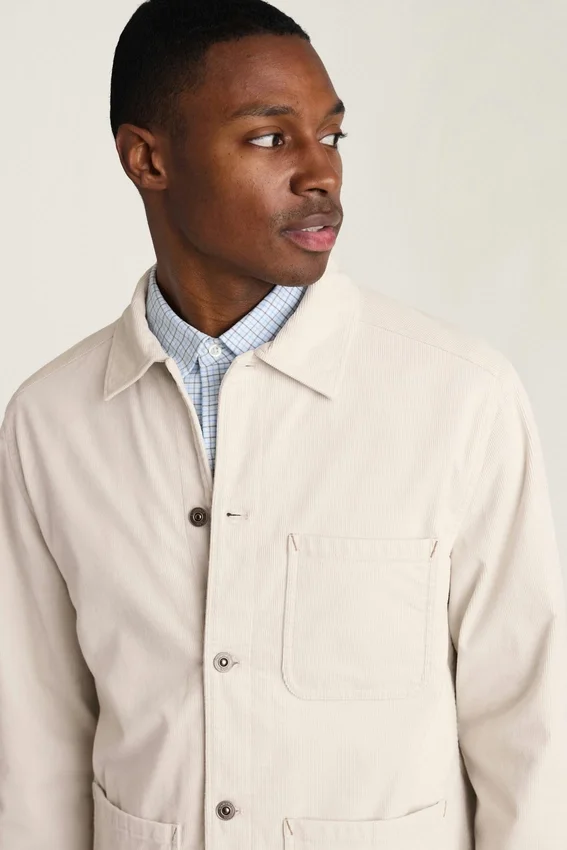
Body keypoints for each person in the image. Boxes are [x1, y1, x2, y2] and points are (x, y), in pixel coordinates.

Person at [1, 1, 566, 848]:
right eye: (270, 138)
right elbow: (35, 742)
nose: (320, 173)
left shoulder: (459, 397)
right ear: (148, 159)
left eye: (330, 136)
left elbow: (529, 731)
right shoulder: (51, 421)